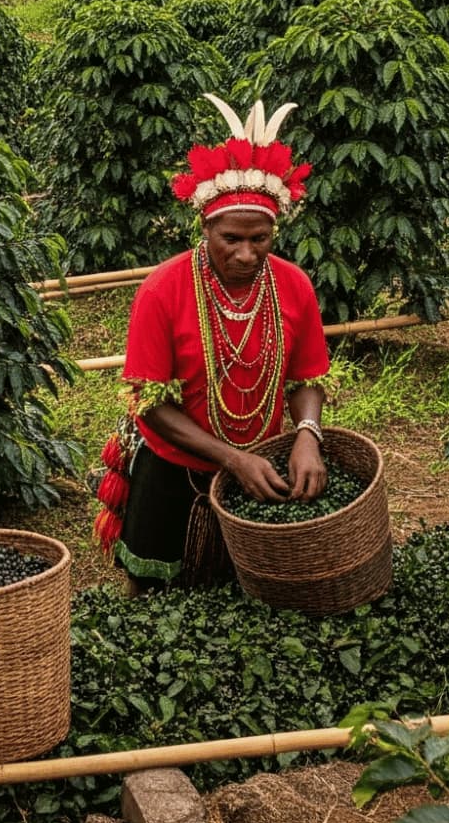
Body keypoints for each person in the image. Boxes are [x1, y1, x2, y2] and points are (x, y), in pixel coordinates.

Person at [92, 96, 331, 593]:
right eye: (231, 239)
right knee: (154, 600)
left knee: (249, 596)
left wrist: (307, 434)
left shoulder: (294, 286)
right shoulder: (163, 290)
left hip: (265, 461)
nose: (247, 254)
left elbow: (306, 378)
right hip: (173, 470)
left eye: (260, 238)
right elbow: (152, 405)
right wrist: (232, 459)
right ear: (204, 228)